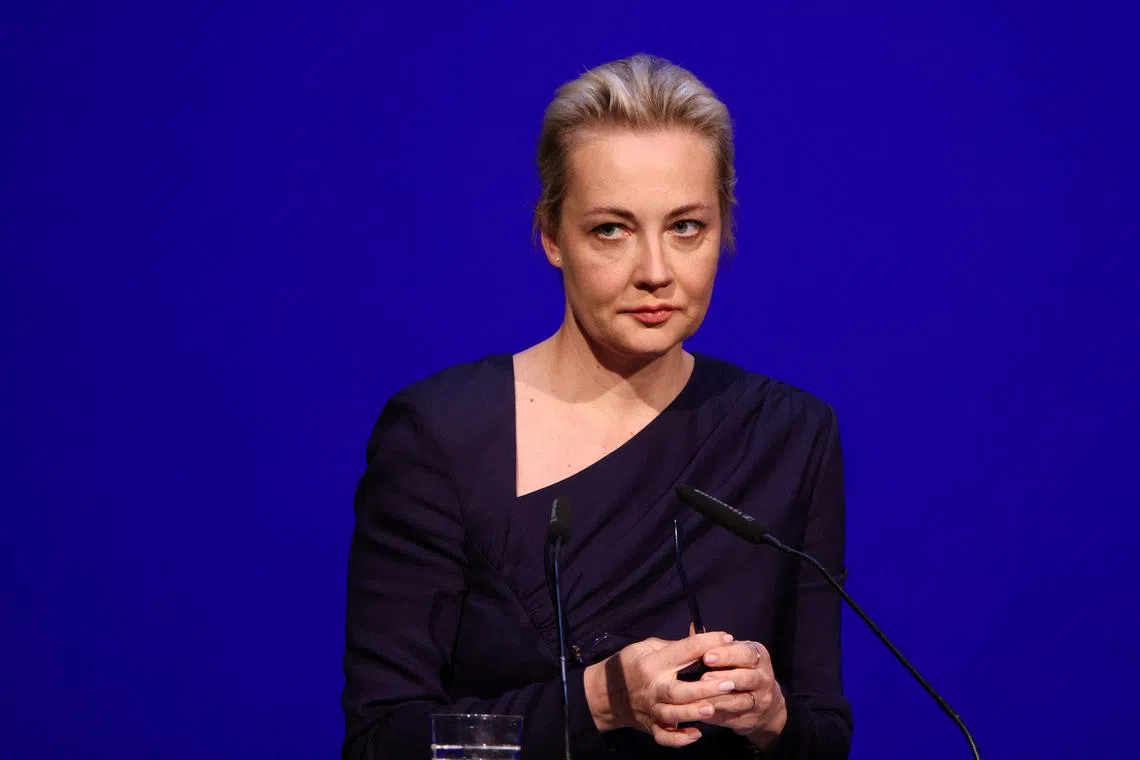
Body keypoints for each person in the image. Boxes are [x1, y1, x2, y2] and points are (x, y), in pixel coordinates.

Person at [341, 54, 852, 758]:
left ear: (724, 230)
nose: (654, 271)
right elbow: (383, 743)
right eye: (611, 229)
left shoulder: (789, 436)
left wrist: (773, 718)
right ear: (552, 235)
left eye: (686, 228)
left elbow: (823, 734)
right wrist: (598, 700)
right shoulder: (441, 438)